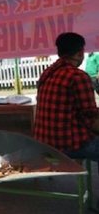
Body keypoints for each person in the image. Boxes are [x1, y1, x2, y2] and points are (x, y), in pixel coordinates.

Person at [34, 32, 99, 161]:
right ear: (80, 53)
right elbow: (90, 117)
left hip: (43, 143)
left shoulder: (47, 73)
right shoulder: (78, 76)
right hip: (68, 145)